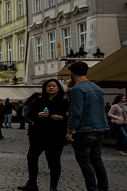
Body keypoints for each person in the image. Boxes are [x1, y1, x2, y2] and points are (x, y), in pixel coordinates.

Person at [17, 79, 69, 191]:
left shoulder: (63, 102)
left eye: (53, 86)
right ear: (45, 88)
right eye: (49, 86)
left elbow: (70, 116)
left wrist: (62, 118)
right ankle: (32, 183)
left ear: (58, 88)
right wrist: (37, 114)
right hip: (38, 134)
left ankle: (53, 186)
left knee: (54, 161)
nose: (51, 88)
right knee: (31, 157)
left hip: (55, 135)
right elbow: (30, 113)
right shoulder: (39, 101)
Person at [66, 61, 109, 191]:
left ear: (71, 73)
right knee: (97, 160)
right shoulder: (97, 88)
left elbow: (76, 112)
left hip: (85, 129)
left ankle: (91, 188)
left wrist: (70, 130)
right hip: (100, 128)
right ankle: (103, 188)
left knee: (84, 160)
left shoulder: (77, 89)